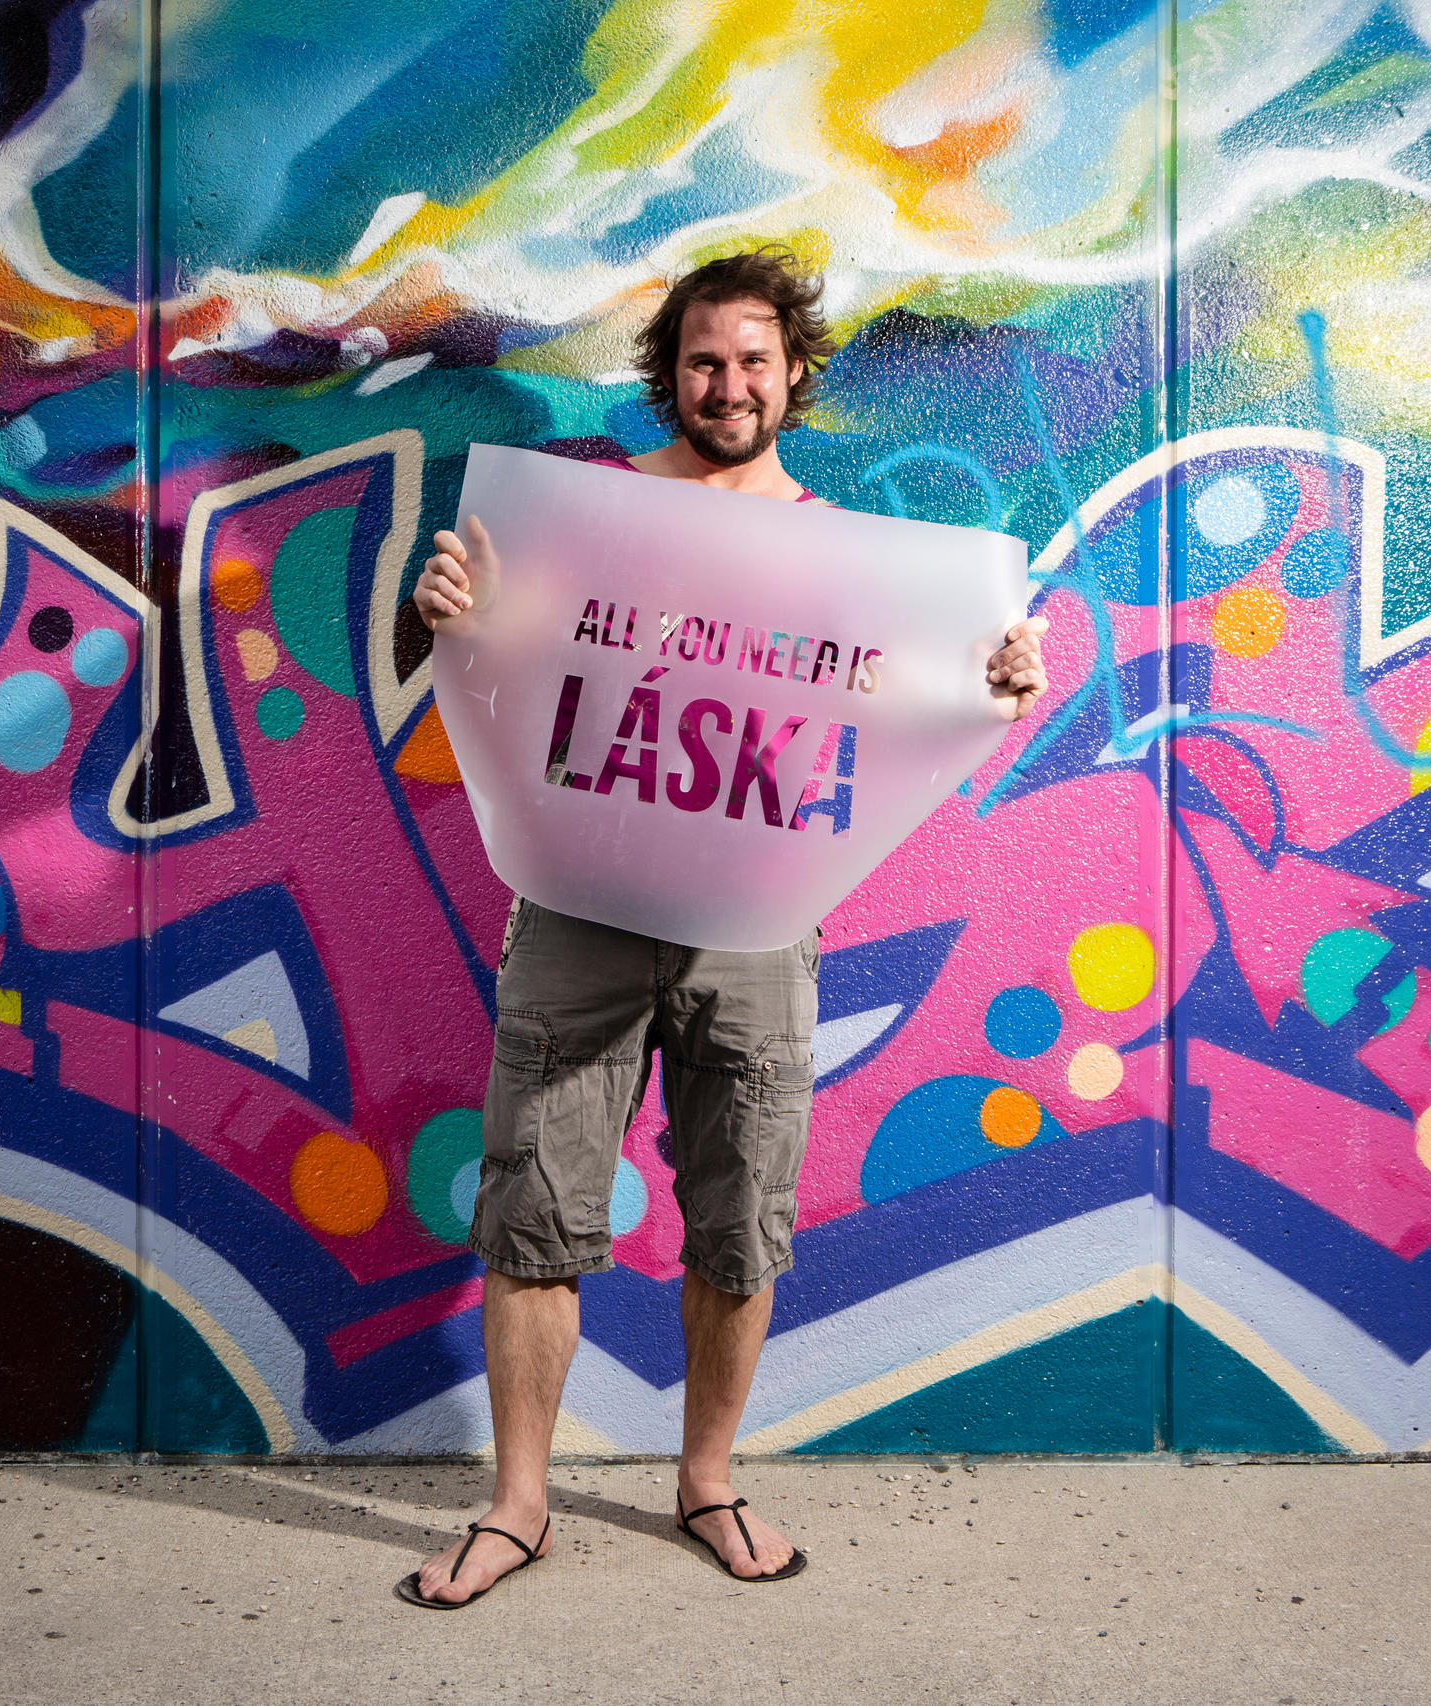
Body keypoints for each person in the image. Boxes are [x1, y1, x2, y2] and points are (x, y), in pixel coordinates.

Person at [395, 249, 1050, 1608]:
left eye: (754, 359)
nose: (729, 383)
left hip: (753, 928)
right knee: (534, 1208)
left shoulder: (836, 550)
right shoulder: (579, 517)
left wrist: (999, 684)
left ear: (792, 373)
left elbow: (911, 711)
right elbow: (481, 677)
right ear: (670, 374)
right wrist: (443, 619)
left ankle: (707, 1482)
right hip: (575, 909)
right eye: (704, 360)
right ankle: (520, 1505)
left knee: (741, 1218)